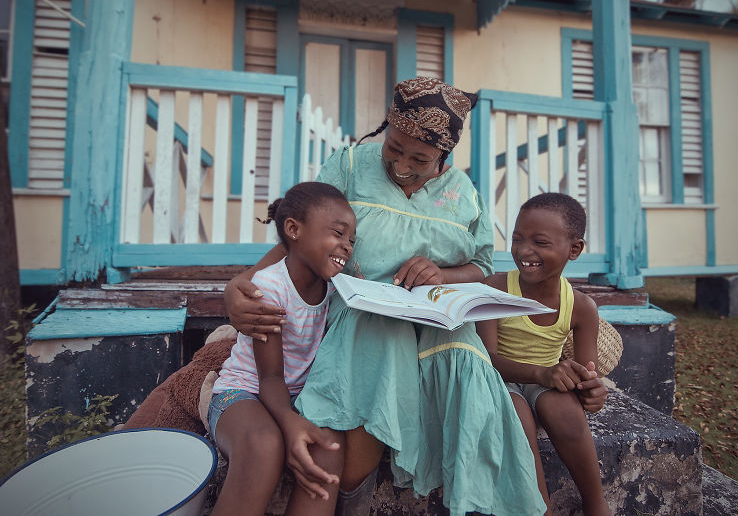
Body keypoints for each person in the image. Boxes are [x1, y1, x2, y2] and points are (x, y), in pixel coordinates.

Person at [224, 77, 546, 516]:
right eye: (394, 148)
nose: (401, 165)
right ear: (385, 130)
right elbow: (302, 232)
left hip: (438, 319)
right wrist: (242, 283)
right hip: (363, 312)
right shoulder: (352, 165)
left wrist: (443, 273)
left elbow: (484, 266)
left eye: (421, 158)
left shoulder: (465, 195)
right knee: (380, 344)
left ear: (443, 155)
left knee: (467, 369)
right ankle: (352, 498)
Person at [208, 181, 356, 516]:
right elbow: (270, 377)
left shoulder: (336, 291)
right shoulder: (268, 288)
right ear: (293, 229)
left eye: (351, 240)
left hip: (299, 397)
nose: (346, 246)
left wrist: (296, 419)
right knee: (265, 444)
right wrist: (290, 423)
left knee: (328, 446)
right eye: (337, 233)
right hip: (244, 393)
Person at [476, 193, 610, 516]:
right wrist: (542, 374)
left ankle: (596, 504)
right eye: (517, 239)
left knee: (566, 410)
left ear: (574, 249)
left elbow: (586, 371)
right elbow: (487, 360)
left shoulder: (581, 307)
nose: (524, 251)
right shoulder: (494, 288)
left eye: (540, 242)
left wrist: (593, 390)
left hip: (544, 383)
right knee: (518, 417)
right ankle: (540, 510)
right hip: (499, 381)